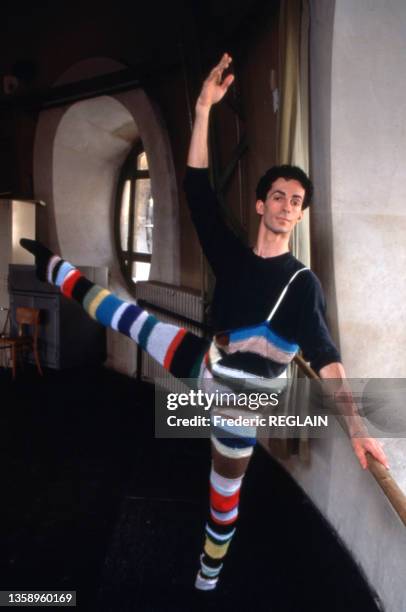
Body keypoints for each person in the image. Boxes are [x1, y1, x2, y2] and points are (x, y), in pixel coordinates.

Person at [19, 53, 388, 594]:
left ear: (301, 216)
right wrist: (201, 109)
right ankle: (52, 266)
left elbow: (328, 357)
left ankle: (206, 580)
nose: (288, 208)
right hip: (208, 366)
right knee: (127, 315)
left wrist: (356, 428)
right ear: (261, 204)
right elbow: (196, 190)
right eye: (280, 198)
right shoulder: (234, 258)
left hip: (242, 402)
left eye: (298, 203)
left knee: (223, 497)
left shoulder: (303, 285)